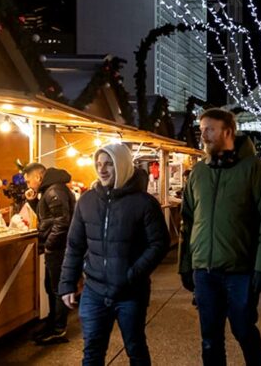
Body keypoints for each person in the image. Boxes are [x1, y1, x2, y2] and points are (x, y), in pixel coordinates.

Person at [179, 108, 261, 366]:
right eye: (201, 129)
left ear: (228, 132)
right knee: (210, 339)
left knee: (244, 330)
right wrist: (185, 265)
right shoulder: (198, 173)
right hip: (205, 271)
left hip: (241, 270)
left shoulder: (254, 168)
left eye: (209, 129)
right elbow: (188, 221)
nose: (203, 135)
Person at [59, 143, 169, 366]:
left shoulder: (144, 203)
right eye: (99, 164)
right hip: (94, 291)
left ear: (122, 165)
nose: (102, 169)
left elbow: (159, 243)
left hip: (131, 293)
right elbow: (75, 244)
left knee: (135, 347)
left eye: (109, 164)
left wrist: (132, 274)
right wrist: (67, 283)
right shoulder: (87, 201)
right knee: (92, 351)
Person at [23, 162, 76, 345]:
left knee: (57, 288)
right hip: (57, 247)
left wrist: (50, 245)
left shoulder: (54, 190)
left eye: (29, 181)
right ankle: (53, 323)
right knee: (51, 287)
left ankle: (58, 329)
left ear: (38, 177)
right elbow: (49, 216)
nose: (29, 185)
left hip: (59, 248)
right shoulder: (51, 189)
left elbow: (62, 222)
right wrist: (32, 201)